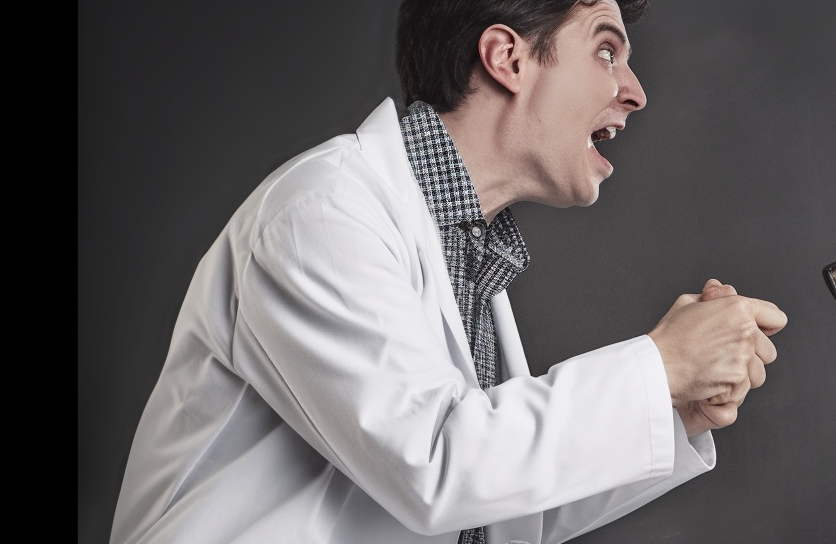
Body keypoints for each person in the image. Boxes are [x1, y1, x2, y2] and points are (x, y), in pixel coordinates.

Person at [108, 1, 790, 543]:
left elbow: (495, 512)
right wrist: (657, 365)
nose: (635, 92)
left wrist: (673, 411)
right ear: (507, 58)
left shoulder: (465, 249)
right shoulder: (321, 212)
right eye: (606, 50)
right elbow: (433, 465)